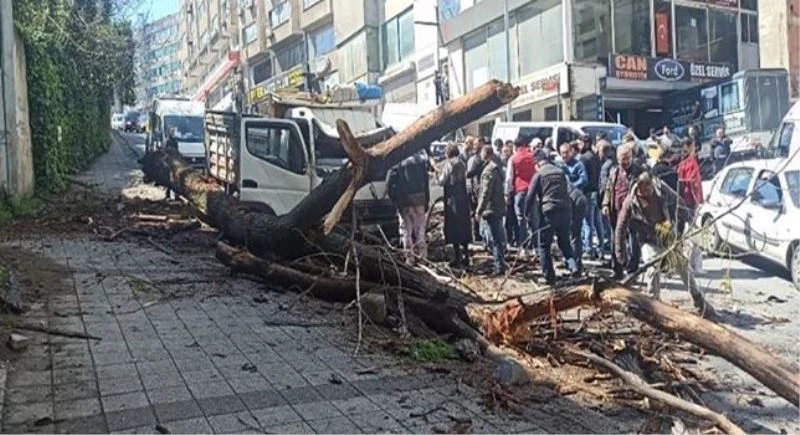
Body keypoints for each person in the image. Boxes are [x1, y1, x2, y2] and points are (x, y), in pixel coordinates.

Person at [615, 172, 716, 318]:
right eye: (645, 191)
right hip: (647, 238)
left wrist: (689, 219)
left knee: (682, 266)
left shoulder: (662, 189)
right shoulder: (631, 201)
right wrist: (620, 252)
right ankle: (653, 303)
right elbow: (621, 226)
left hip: (666, 234)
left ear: (652, 184)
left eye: (650, 190)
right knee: (652, 267)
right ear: (639, 188)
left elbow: (678, 201)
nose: (648, 193)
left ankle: (699, 301)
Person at [525, 150, 579, 284]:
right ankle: (573, 267)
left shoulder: (539, 174)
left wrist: (526, 214)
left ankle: (549, 276)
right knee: (565, 242)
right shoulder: (560, 172)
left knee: (544, 245)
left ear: (537, 163)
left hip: (549, 212)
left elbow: (530, 196)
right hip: (565, 211)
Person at [602, 144, 643, 278]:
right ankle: (617, 269)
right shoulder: (614, 172)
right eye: (622, 159)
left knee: (633, 241)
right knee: (616, 241)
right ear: (617, 158)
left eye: (628, 158)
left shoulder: (639, 172)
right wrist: (605, 204)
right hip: (616, 212)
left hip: (632, 213)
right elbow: (608, 189)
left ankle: (632, 270)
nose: (625, 162)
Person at [387, 150, 430, 266]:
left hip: (404, 202)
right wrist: (427, 200)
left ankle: (410, 259)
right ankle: (422, 258)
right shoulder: (420, 161)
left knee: (406, 231)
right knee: (420, 230)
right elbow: (426, 183)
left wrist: (395, 200)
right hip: (420, 200)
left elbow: (389, 182)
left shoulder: (398, 163)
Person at [438, 142, 472, 268]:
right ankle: (466, 256)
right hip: (462, 198)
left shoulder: (449, 164)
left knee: (454, 227)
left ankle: (457, 257)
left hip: (452, 199)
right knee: (464, 226)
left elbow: (442, 181)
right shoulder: (462, 163)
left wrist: (437, 176)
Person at [475, 146, 507, 275]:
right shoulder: (497, 168)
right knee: (497, 238)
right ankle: (500, 263)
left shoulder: (488, 171)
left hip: (491, 208)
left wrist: (479, 210)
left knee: (494, 239)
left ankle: (499, 267)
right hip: (498, 207)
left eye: (482, 152)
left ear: (486, 154)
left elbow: (485, 193)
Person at [506, 137, 536, 258]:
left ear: (515, 146)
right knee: (534, 219)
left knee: (521, 220)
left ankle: (524, 248)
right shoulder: (532, 156)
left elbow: (509, 178)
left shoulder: (513, 159)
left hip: (520, 191)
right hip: (532, 190)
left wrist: (507, 193)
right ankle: (536, 247)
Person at [579, 135, 603, 259]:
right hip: (596, 191)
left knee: (587, 221)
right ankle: (601, 247)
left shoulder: (584, 158)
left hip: (587, 192)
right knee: (597, 221)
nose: (579, 146)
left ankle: (588, 248)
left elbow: (584, 178)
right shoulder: (595, 157)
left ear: (585, 143)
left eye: (580, 143)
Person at [677, 137, 703, 235]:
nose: (694, 148)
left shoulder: (687, 160)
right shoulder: (687, 161)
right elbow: (690, 178)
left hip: (689, 194)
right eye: (692, 146)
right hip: (688, 195)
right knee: (689, 219)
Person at [597, 141, 616, 255]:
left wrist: (602, 199)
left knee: (608, 222)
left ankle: (610, 242)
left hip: (607, 197)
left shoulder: (605, 166)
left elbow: (604, 184)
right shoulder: (614, 163)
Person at [501, 142, 519, 246]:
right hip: (506, 193)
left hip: (512, 192)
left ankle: (516, 238)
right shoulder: (500, 163)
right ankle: (508, 239)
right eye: (504, 152)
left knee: (515, 218)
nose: (505, 154)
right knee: (508, 218)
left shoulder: (512, 161)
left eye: (507, 151)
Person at [569, 183, 588, 273]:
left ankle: (575, 266)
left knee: (573, 235)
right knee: (576, 235)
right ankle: (576, 264)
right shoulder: (561, 178)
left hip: (575, 202)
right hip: (580, 198)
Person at [164, 127, 179, 200]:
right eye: (172, 132)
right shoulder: (167, 141)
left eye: (174, 132)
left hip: (175, 163)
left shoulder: (175, 142)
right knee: (169, 180)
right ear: (169, 133)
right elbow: (165, 151)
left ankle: (176, 195)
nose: (173, 133)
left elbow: (177, 151)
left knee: (176, 180)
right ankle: (167, 195)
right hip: (169, 163)